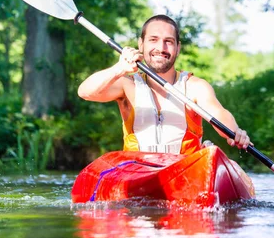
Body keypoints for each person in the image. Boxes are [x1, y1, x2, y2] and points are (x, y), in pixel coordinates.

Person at [77, 14, 251, 155]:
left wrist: (234, 132)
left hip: (185, 171)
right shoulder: (127, 84)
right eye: (153, 39)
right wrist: (118, 69)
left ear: (178, 48)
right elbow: (85, 92)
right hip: (137, 170)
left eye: (168, 41)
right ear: (141, 44)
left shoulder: (195, 86)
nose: (161, 47)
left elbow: (219, 114)